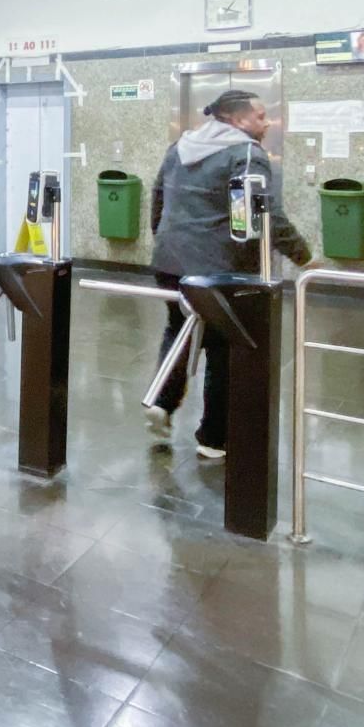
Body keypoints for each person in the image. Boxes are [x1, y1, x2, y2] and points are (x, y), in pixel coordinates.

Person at [148, 89, 311, 458]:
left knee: (178, 328)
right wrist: (304, 256)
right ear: (236, 120)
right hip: (219, 268)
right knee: (224, 346)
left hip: (170, 262)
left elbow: (158, 199)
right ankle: (213, 437)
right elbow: (266, 214)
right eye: (260, 116)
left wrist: (166, 243)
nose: (266, 123)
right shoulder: (248, 154)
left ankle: (162, 402)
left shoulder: (180, 147)